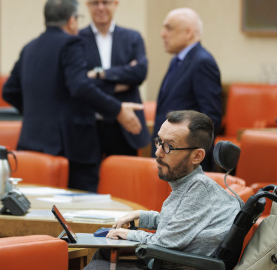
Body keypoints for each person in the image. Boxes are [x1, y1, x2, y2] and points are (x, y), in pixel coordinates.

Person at [3, 0, 144, 193]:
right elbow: (79, 86)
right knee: (80, 207)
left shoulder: (30, 47)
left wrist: (38, 113)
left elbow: (9, 91)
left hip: (32, 142)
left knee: (37, 204)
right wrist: (117, 109)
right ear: (71, 21)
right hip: (72, 146)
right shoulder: (72, 42)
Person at [85, 110, 240, 270]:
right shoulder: (191, 184)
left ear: (197, 156)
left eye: (169, 147)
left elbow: (165, 242)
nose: (158, 152)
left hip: (172, 264)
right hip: (166, 261)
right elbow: (177, 224)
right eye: (159, 141)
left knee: (97, 266)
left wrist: (130, 234)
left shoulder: (199, 189)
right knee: (106, 250)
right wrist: (143, 216)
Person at [152, 8, 222, 171]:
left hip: (185, 163)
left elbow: (210, 119)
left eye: (169, 28)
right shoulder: (177, 60)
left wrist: (186, 154)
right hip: (169, 155)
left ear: (188, 32)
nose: (163, 34)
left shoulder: (202, 62)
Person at [79, 0, 150, 157]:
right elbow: (79, 82)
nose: (101, 7)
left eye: (106, 2)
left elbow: (140, 72)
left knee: (125, 178)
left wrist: (98, 74)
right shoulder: (76, 40)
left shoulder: (132, 37)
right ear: (87, 5)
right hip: (89, 125)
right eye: (95, 3)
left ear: (116, 4)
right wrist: (117, 83)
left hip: (125, 128)